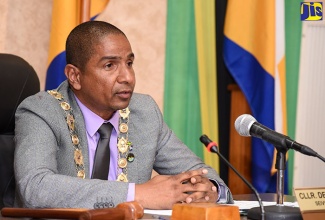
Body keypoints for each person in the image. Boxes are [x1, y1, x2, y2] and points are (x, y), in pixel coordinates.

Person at [14, 20, 232, 209]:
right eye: (110, 65)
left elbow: (200, 173)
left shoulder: (144, 112)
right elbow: (35, 187)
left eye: (129, 63)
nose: (127, 77)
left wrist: (210, 190)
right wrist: (137, 194)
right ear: (75, 76)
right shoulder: (41, 111)